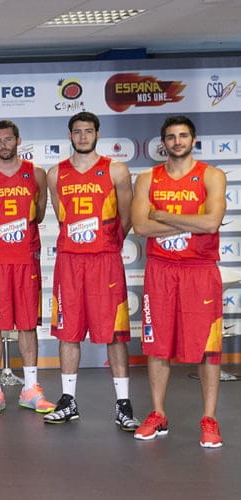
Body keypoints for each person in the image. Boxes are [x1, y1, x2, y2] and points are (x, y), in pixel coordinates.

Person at [130, 115, 226, 448]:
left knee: (207, 349)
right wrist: (191, 224)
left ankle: (209, 419)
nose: (177, 141)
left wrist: (164, 216)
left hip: (200, 270)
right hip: (161, 271)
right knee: (157, 347)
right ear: (163, 143)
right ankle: (158, 414)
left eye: (183, 135)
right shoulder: (147, 179)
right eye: (171, 137)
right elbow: (141, 228)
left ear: (193, 140)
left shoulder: (211, 176)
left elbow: (212, 223)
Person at [43, 112, 138, 429]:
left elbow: (126, 218)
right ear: (69, 135)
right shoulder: (56, 174)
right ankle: (68, 400)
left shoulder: (116, 170)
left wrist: (107, 244)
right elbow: (61, 216)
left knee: (114, 334)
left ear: (97, 133)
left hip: (105, 262)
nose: (83, 136)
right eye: (77, 131)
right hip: (70, 261)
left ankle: (123, 404)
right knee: (68, 332)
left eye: (88, 131)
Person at [0, 120, 54, 416]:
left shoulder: (37, 174)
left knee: (28, 325)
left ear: (18, 140)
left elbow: (40, 212)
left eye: (8, 139)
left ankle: (30, 388)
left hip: (25, 260)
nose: (4, 144)